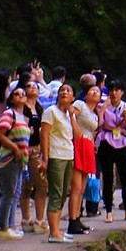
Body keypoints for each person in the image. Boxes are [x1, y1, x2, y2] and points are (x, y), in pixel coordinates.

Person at [97, 78, 126, 222]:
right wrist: (103, 108)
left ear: (122, 92)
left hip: (122, 144)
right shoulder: (102, 106)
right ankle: (108, 211)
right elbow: (100, 125)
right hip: (107, 142)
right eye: (111, 90)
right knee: (107, 177)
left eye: (117, 90)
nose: (114, 93)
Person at [40, 82, 77, 242]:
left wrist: (73, 116)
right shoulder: (51, 112)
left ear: (73, 97)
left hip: (68, 155)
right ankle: (54, 233)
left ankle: (57, 231)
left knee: (63, 194)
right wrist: (45, 158)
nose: (64, 92)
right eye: (62, 90)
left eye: (68, 91)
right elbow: (44, 135)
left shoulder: (69, 115)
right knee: (56, 194)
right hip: (55, 155)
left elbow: (78, 135)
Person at [0, 83, 31, 239]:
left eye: (23, 93)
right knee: (9, 194)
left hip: (20, 160)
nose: (21, 95)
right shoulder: (10, 114)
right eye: (17, 94)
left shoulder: (23, 116)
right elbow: (0, 134)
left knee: (15, 193)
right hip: (10, 158)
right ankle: (3, 227)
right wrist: (15, 148)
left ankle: (10, 225)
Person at [68, 82, 101, 234]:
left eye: (97, 91)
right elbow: (70, 115)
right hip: (78, 142)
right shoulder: (80, 104)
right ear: (86, 94)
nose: (94, 93)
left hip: (88, 145)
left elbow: (93, 132)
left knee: (81, 188)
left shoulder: (95, 115)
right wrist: (76, 131)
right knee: (75, 187)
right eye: (92, 90)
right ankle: (72, 221)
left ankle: (77, 217)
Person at [20, 77, 48, 232]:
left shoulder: (39, 107)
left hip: (37, 149)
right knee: (26, 185)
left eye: (35, 86)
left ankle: (39, 219)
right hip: (26, 149)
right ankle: (26, 219)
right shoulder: (22, 107)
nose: (32, 88)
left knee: (41, 184)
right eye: (28, 86)